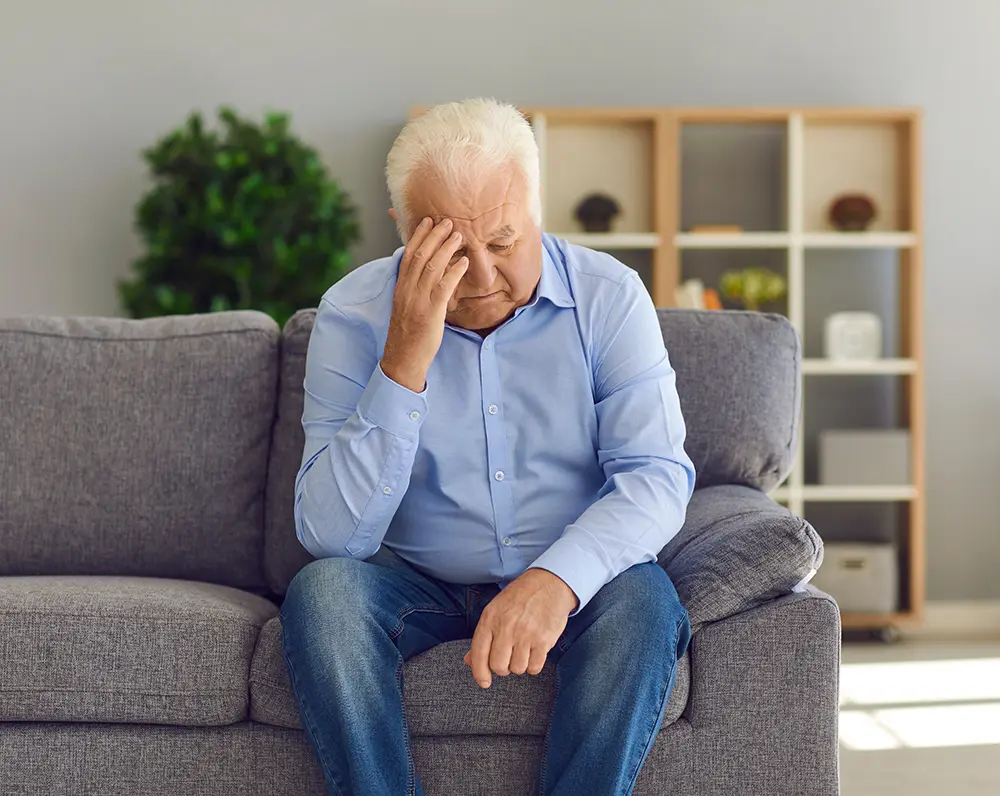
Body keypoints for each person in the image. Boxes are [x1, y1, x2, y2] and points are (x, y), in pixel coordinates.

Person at [279, 98, 695, 796]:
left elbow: (655, 476)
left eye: (502, 243)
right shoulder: (352, 315)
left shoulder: (610, 299)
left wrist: (555, 580)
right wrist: (404, 360)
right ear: (403, 230)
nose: (478, 279)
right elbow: (330, 536)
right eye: (446, 250)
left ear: (537, 209)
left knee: (646, 603)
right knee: (322, 597)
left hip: (576, 578)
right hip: (417, 584)